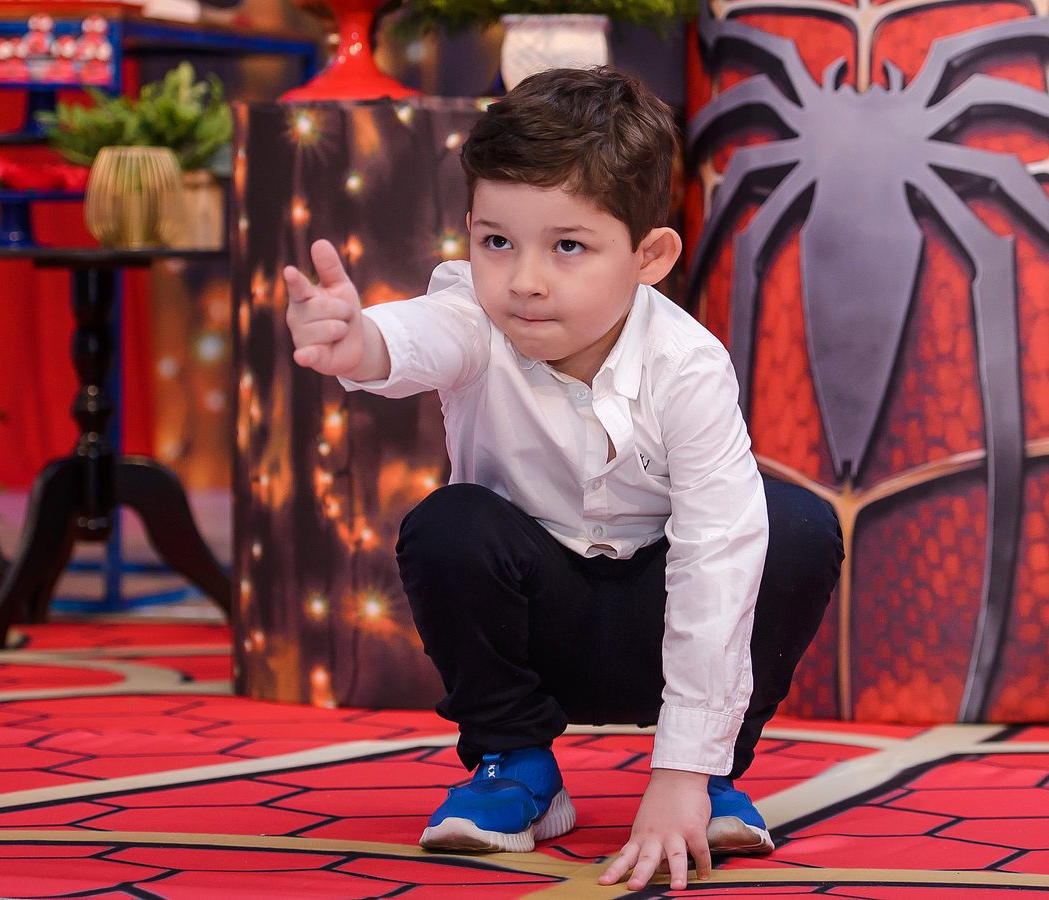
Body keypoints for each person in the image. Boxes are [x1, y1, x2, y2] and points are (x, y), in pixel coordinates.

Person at [283, 66, 843, 892]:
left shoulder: (688, 366)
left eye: (568, 246)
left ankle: (713, 773)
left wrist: (679, 772)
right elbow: (418, 337)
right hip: (536, 630)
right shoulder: (476, 317)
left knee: (789, 525)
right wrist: (356, 341)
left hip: (662, 627)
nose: (524, 280)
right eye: (496, 242)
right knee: (449, 524)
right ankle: (515, 765)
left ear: (648, 256)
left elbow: (716, 558)